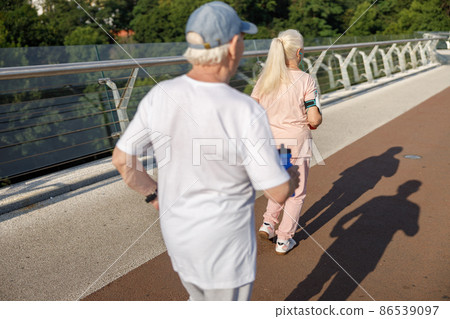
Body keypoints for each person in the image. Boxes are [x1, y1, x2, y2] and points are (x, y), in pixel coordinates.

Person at [112, 1, 299, 301]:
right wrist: (289, 176)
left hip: (178, 234)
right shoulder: (244, 110)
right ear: (234, 45)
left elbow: (123, 160)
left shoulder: (159, 96)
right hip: (225, 243)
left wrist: (154, 195)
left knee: (198, 297)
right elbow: (277, 192)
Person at [251, 29, 322, 255]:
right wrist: (315, 118)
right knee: (296, 193)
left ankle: (269, 223)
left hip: (273, 143)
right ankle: (284, 239)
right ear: (299, 52)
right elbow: (314, 119)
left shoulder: (265, 79)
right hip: (297, 142)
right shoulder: (306, 80)